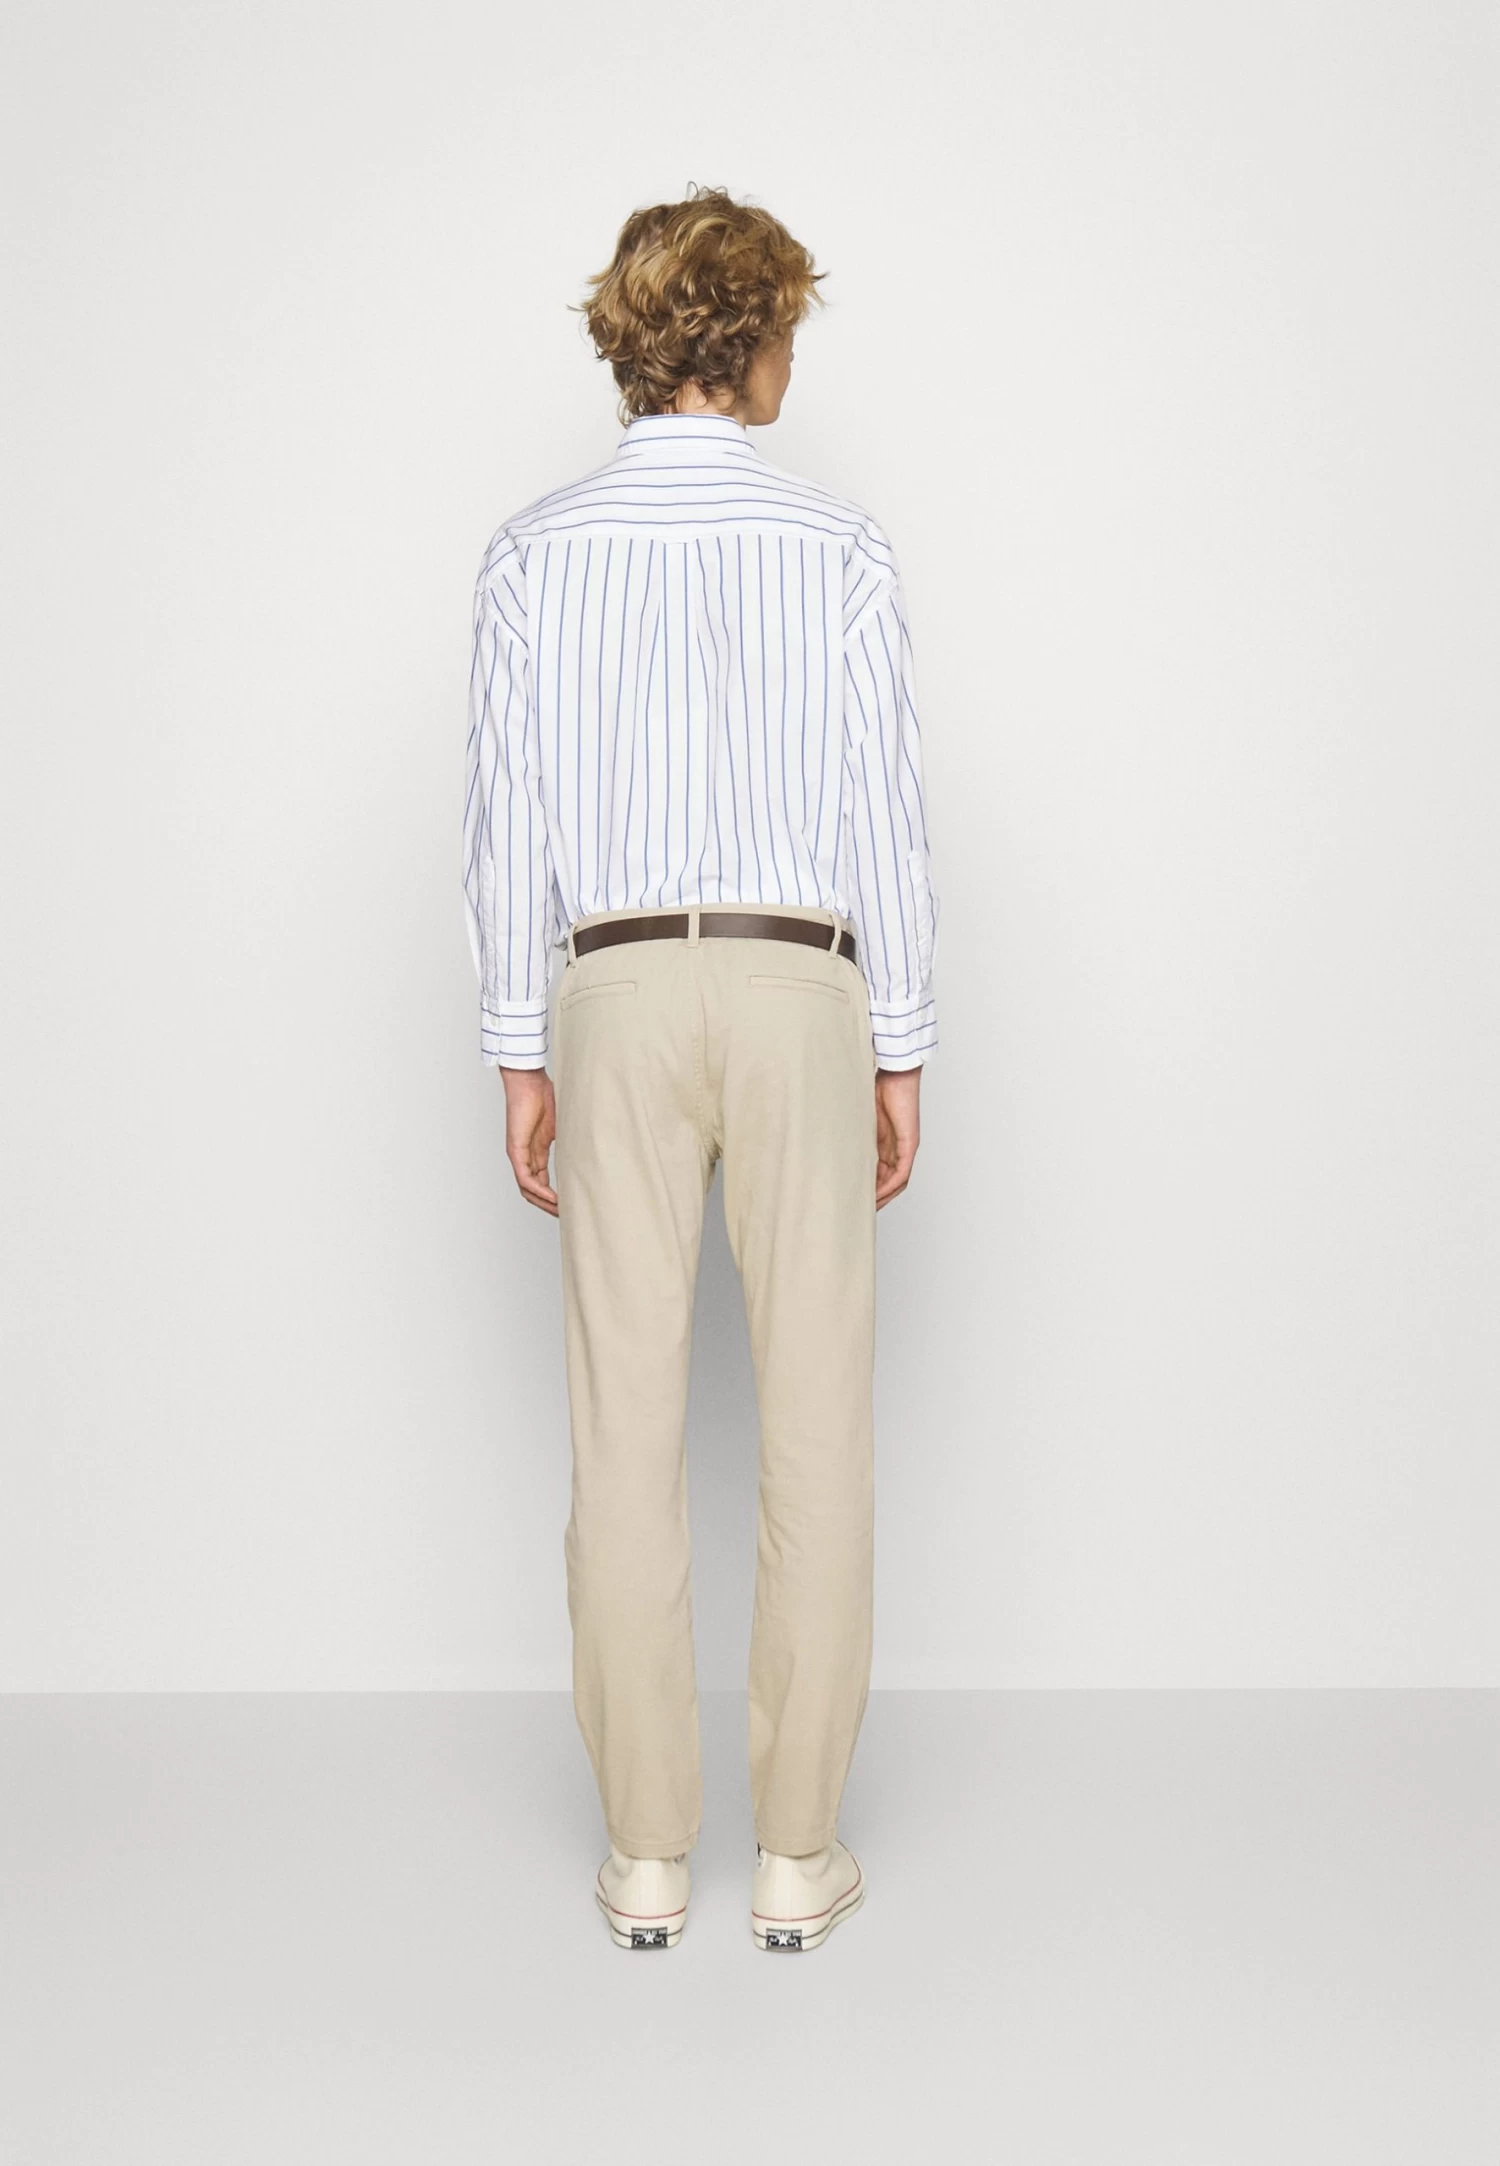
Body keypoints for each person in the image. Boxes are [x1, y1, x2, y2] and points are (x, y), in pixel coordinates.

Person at [462, 185, 940, 1953]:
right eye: (788, 321)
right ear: (750, 338)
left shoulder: (533, 552)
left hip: (612, 988)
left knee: (623, 1427)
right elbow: (885, 815)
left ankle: (649, 1853)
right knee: (817, 1419)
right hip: (802, 980)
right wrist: (902, 1043)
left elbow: (507, 824)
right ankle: (798, 1855)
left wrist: (521, 1047)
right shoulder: (841, 547)